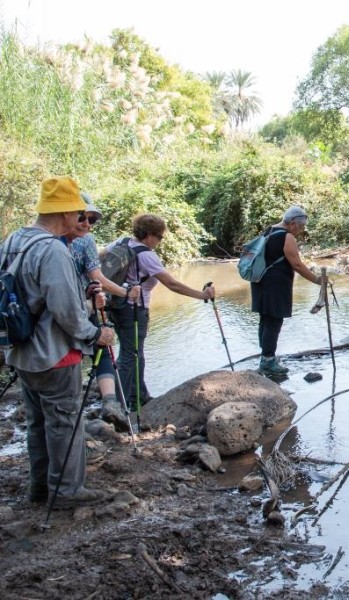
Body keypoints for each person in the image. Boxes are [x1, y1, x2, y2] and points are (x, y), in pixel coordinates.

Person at [0, 176, 117, 509]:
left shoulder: (13, 240)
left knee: (38, 424)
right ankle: (66, 491)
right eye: (79, 213)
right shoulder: (52, 250)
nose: (82, 219)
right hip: (54, 353)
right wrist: (96, 334)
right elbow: (65, 310)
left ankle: (40, 488)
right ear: (64, 212)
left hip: (21, 350)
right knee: (65, 422)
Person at [106, 214, 215, 408]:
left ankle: (139, 396)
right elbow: (173, 285)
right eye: (160, 237)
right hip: (134, 309)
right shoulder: (146, 255)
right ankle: (117, 406)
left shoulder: (121, 243)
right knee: (130, 356)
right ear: (149, 235)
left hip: (116, 305)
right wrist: (202, 295)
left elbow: (99, 262)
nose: (159, 241)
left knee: (134, 353)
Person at [64, 195, 138, 431]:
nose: (87, 223)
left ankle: (81, 411)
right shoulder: (84, 242)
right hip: (85, 306)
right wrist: (125, 293)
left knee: (78, 353)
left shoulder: (45, 241)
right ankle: (109, 402)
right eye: (82, 217)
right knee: (103, 349)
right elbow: (98, 278)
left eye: (92, 219)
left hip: (71, 308)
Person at [250, 206, 321, 376]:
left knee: (266, 320)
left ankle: (266, 357)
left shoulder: (268, 231)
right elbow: (296, 264)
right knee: (274, 321)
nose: (301, 230)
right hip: (275, 285)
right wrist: (317, 280)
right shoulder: (286, 236)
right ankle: (268, 362)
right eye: (301, 227)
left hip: (260, 282)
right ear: (292, 223)